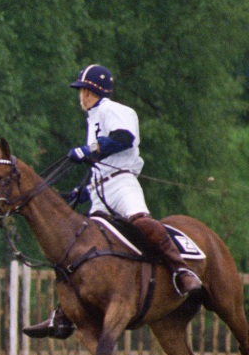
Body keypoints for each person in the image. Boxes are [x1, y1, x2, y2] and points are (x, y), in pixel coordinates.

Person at [24, 64, 203, 339]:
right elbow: (100, 165)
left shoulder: (113, 110)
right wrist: (78, 193)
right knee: (78, 248)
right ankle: (62, 314)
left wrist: (88, 149)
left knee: (141, 222)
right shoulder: (93, 117)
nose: (79, 97)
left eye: (81, 91)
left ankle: (181, 271)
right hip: (100, 189)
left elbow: (123, 138)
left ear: (91, 91)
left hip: (121, 183)